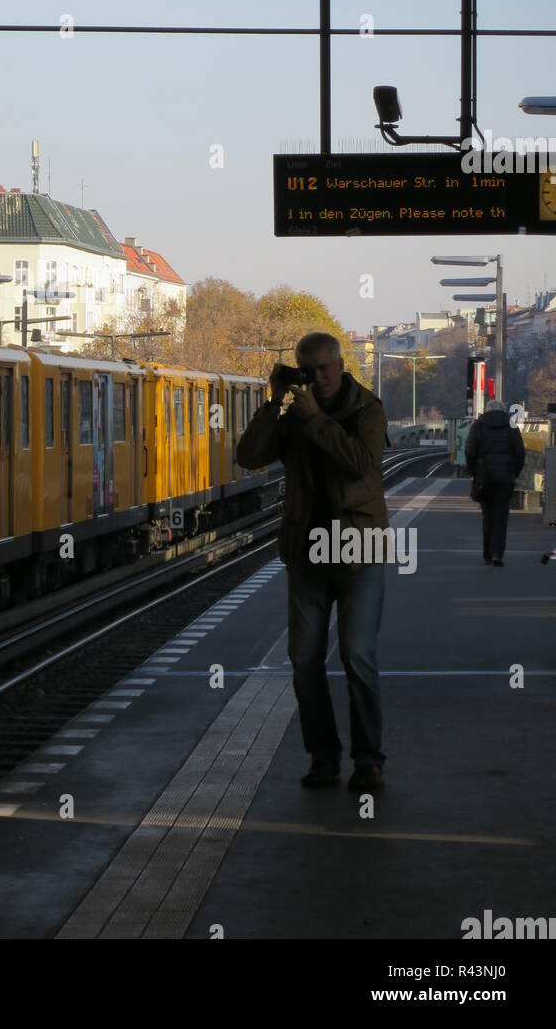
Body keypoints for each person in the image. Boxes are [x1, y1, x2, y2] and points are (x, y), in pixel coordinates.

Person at [236, 332, 390, 794]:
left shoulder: (368, 409)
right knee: (303, 660)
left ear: (341, 365)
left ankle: (368, 761)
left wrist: (316, 420)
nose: (319, 377)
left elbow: (360, 463)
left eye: (325, 368)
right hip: (308, 553)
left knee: (356, 656)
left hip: (359, 552)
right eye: (309, 370)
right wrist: (273, 401)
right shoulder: (295, 413)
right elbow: (248, 456)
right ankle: (323, 757)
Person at [465, 399, 525, 567]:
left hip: (485, 478)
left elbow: (469, 451)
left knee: (487, 516)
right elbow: (520, 453)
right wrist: (515, 472)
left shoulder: (478, 426)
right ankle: (498, 554)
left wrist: (474, 472)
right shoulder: (512, 426)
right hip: (506, 479)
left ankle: (487, 554)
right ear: (504, 410)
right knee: (501, 517)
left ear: (487, 410)